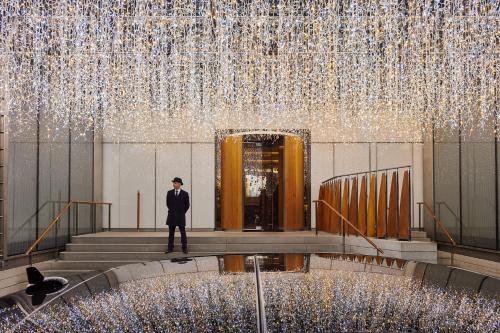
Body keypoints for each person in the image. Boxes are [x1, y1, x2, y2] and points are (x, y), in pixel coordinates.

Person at [165, 177, 190, 254]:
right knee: (171, 233)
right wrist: (173, 211)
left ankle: (184, 248)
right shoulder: (169, 193)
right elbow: (168, 203)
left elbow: (187, 205)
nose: (174, 184)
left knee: (183, 233)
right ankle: (170, 248)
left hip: (180, 216)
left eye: (175, 183)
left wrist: (182, 212)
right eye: (173, 183)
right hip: (172, 215)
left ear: (179, 184)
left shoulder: (185, 194)